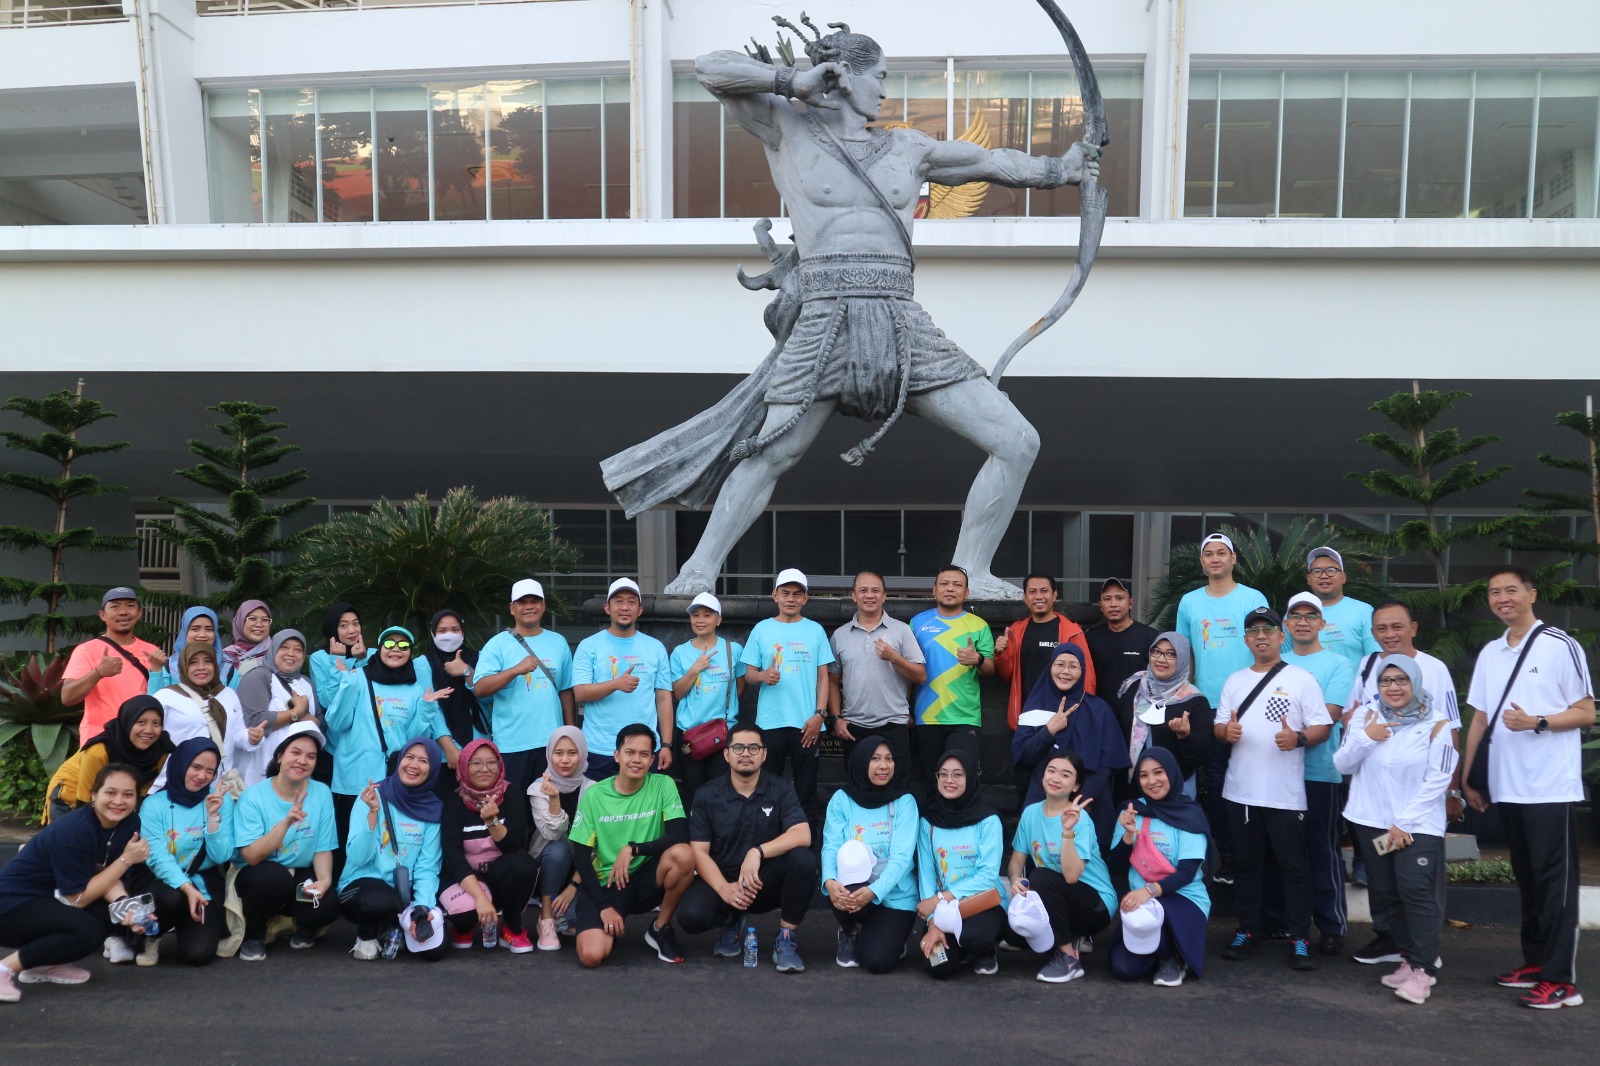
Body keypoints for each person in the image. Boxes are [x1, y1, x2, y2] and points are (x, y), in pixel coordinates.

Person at [609, 23, 1099, 601]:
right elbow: (709, 68)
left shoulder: (909, 148)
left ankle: (971, 572)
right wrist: (794, 80)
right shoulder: (787, 127)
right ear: (843, 76)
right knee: (773, 452)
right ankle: (698, 571)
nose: (885, 91)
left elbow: (992, 163)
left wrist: (1062, 169)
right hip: (823, 317)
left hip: (900, 319)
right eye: (880, 77)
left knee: (1017, 440)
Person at [1463, 565, 1594, 1010]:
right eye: (1494, 591)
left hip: (1549, 788)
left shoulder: (1560, 646)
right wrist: (1468, 777)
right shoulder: (1491, 653)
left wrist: (1537, 721)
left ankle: (1561, 981)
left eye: (1511, 590)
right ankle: (1536, 963)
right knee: (1529, 881)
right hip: (1507, 786)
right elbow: (1480, 717)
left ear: (1531, 594)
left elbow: (1586, 712)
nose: (1502, 598)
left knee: (1555, 883)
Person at [1212, 606, 1332, 971]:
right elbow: (1219, 725)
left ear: (1283, 636)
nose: (1261, 635)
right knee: (1247, 867)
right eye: (1253, 631)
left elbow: (1322, 727)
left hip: (1284, 795)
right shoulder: (1235, 681)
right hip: (1240, 793)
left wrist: (1297, 738)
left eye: (1269, 629)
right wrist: (1225, 733)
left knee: (1294, 867)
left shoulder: (1301, 679)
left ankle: (1299, 936)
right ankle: (1248, 930)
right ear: (1246, 639)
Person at [1335, 655, 1458, 1005]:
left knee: (1416, 893)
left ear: (1416, 683)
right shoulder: (1367, 715)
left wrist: (1404, 822)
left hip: (1416, 827)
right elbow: (1342, 762)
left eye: (1401, 680)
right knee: (1387, 894)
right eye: (1386, 681)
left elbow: (1439, 777)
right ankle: (1409, 957)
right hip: (1370, 820)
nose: (1393, 687)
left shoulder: (1436, 723)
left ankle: (1424, 970)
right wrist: (1366, 738)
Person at [1344, 598, 1463, 931]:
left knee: (1419, 880)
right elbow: (1353, 716)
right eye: (1381, 628)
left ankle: (1423, 949)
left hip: (1418, 793)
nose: (1389, 634)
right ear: (1373, 633)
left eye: (1397, 626)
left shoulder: (1434, 668)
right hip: (1375, 796)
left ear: (1413, 629)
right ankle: (1388, 939)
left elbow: (1450, 732)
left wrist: (1453, 790)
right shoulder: (1368, 666)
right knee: (1382, 877)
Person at [0, 764, 149, 1003]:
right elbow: (77, 899)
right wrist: (126, 859)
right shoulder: (76, 830)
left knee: (108, 913)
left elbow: (106, 874)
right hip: (11, 905)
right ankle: (5, 968)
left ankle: (45, 965)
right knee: (87, 931)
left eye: (128, 794)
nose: (119, 801)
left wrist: (126, 906)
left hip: (47, 899)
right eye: (110, 793)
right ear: (93, 795)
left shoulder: (129, 823)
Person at [322, 625, 458, 879]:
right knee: (349, 839)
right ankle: (348, 892)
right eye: (390, 644)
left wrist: (427, 708)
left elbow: (415, 741)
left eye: (404, 645)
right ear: (380, 647)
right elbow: (337, 723)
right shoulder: (358, 677)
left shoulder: (416, 688)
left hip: (393, 779)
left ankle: (385, 891)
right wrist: (348, 685)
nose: (396, 649)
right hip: (356, 777)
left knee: (386, 839)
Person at [676, 725, 816, 971]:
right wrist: (723, 889)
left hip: (763, 882)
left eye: (754, 748)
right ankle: (731, 919)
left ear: (764, 754)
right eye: (738, 747)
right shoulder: (707, 794)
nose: (746, 753)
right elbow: (698, 851)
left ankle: (785, 939)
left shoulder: (780, 788)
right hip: (724, 880)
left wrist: (758, 852)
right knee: (690, 916)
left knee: (803, 861)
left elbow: (802, 834)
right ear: (726, 754)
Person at [1176, 533, 1268, 886]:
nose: (1215, 559)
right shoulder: (1189, 603)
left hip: (1249, 705)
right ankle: (1227, 857)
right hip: (1207, 706)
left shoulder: (1252, 598)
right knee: (1214, 785)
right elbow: (1183, 656)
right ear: (1202, 562)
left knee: (1252, 781)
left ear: (1233, 559)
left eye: (1221, 553)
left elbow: (1268, 646)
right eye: (1208, 554)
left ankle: (1255, 858)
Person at [568, 725, 696, 968]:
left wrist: (633, 849)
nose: (637, 759)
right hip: (607, 884)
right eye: (630, 752)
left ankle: (660, 927)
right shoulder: (595, 794)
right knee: (591, 956)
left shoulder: (663, 785)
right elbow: (581, 857)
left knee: (683, 854)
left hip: (646, 879)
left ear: (652, 759)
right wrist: (603, 906)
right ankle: (609, 926)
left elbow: (679, 834)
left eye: (644, 754)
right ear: (617, 756)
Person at [1278, 592, 1354, 955]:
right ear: (1287, 625)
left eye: (1311, 616)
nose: (1303, 622)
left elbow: (1330, 714)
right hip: (1276, 774)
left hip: (1320, 771)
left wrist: (1294, 731)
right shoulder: (1274, 662)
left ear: (1323, 624)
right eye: (1296, 616)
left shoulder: (1339, 665)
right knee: (1283, 851)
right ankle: (1288, 923)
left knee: (1322, 850)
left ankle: (1331, 924)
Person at [230, 723, 340, 961]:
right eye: (295, 752)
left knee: (328, 903)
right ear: (280, 755)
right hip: (258, 872)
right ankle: (254, 935)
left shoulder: (321, 793)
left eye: (310, 757)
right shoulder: (253, 796)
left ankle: (302, 925)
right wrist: (287, 822)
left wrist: (325, 880)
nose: (302, 761)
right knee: (273, 879)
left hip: (299, 870)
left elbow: (322, 847)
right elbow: (251, 855)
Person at [121, 738, 235, 967]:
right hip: (159, 881)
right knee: (169, 897)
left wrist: (213, 818)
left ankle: (184, 922)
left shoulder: (220, 800)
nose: (202, 776)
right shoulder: (154, 804)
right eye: (196, 767)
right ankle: (152, 935)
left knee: (198, 954)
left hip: (203, 882)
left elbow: (222, 856)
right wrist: (186, 889)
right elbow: (157, 858)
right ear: (181, 764)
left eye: (209, 771)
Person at [1007, 751, 1116, 984]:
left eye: (1066, 774)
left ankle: (1068, 958)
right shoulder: (1031, 813)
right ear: (1043, 776)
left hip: (1096, 904)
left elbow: (1071, 876)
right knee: (1013, 933)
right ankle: (1073, 936)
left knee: (1042, 877)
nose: (1056, 778)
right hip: (1058, 898)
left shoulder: (1080, 819)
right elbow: (1016, 861)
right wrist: (1016, 879)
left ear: (1076, 785)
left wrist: (1067, 830)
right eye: (1051, 771)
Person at [1107, 748, 1212, 987]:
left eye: (1158, 772)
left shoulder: (1189, 814)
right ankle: (1157, 952)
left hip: (1182, 898)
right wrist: (1128, 835)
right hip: (1142, 905)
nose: (1151, 781)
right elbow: (1117, 865)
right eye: (1144, 775)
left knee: (1158, 923)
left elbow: (1186, 874)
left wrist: (1148, 891)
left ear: (1172, 773)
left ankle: (1173, 958)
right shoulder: (1132, 811)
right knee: (1123, 968)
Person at [338, 738, 448, 962]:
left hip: (404, 894)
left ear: (434, 767)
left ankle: (395, 925)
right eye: (409, 757)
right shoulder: (371, 796)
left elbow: (428, 867)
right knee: (382, 901)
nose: (413, 765)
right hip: (362, 886)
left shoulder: (433, 809)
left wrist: (422, 908)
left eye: (423, 760)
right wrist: (372, 814)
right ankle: (367, 935)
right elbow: (358, 858)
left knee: (435, 949)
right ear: (399, 761)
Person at [740, 568, 834, 821]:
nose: (790, 598)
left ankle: (807, 845)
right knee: (767, 788)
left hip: (808, 723)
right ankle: (770, 841)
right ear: (775, 596)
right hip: (771, 721)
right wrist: (762, 676)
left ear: (805, 598)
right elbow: (748, 674)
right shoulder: (761, 629)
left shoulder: (815, 631)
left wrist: (819, 714)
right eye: (785, 593)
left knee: (807, 790)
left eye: (797, 594)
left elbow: (823, 676)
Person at [1012, 644, 1128, 848]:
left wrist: (1078, 804)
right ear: (1050, 667)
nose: (1065, 671)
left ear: (1082, 671)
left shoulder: (1099, 709)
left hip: (1088, 803)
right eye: (1060, 665)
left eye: (1073, 666)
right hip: (1043, 798)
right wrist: (1049, 731)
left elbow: (1106, 765)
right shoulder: (1035, 706)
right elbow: (1024, 756)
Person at [470, 580, 576, 801]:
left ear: (543, 606)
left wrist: (570, 732)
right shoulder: (497, 644)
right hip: (512, 744)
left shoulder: (558, 642)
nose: (529, 606)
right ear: (512, 608)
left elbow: (566, 690)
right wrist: (516, 670)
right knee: (514, 808)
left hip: (551, 744)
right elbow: (480, 688)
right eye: (522, 602)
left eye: (534, 601)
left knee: (550, 808)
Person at [821, 740, 920, 973]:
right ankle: (849, 931)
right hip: (854, 889)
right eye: (875, 758)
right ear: (861, 761)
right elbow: (831, 846)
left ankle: (891, 938)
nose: (883, 765)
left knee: (877, 961)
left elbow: (902, 857)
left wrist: (875, 891)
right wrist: (829, 882)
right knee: (840, 882)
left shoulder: (904, 801)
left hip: (896, 895)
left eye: (889, 758)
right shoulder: (842, 800)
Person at [439, 738, 541, 953]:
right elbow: (452, 857)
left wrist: (492, 822)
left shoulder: (511, 794)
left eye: (491, 762)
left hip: (498, 874)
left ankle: (512, 928)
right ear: (464, 766)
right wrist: (480, 898)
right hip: (465, 877)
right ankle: (463, 927)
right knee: (465, 914)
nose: (484, 769)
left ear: (500, 765)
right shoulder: (454, 802)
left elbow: (515, 845)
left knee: (523, 865)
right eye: (476, 763)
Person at [916, 750, 1006, 978]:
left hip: (982, 903)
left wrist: (939, 899)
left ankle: (983, 951)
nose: (949, 780)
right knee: (939, 967)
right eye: (943, 774)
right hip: (943, 912)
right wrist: (933, 923)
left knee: (973, 936)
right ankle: (958, 949)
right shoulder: (928, 821)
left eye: (958, 774)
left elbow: (987, 877)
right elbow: (926, 874)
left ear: (971, 778)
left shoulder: (988, 820)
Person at [827, 570, 924, 781]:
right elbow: (832, 680)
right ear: (854, 595)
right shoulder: (840, 635)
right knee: (858, 786)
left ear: (884, 595)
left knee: (897, 786)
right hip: (854, 726)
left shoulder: (901, 630)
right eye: (863, 590)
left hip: (894, 723)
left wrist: (894, 657)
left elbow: (920, 676)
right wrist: (836, 719)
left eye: (875, 590)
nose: (869, 595)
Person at [571, 578, 673, 781]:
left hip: (642, 750)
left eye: (631, 602)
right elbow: (580, 693)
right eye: (618, 601)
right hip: (599, 748)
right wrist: (615, 684)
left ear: (639, 610)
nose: (625, 607)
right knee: (599, 810)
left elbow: (663, 698)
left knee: (642, 810)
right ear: (607, 608)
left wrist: (667, 745)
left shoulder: (655, 647)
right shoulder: (589, 646)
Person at [909, 566, 994, 790]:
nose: (950, 589)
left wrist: (978, 659)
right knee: (931, 784)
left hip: (965, 717)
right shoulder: (916, 623)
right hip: (927, 717)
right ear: (934, 590)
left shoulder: (979, 626)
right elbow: (909, 670)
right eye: (945, 584)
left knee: (964, 781)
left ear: (966, 593)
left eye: (957, 585)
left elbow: (991, 670)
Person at [44, 694, 172, 824]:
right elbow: (85, 800)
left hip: (110, 796)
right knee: (68, 837)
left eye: (156, 723)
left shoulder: (160, 750)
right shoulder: (99, 751)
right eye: (141, 722)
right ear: (127, 721)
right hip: (71, 793)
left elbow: (140, 793)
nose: (149, 730)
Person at [1114, 632, 1213, 801]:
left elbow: (1202, 756)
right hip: (1130, 790)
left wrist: (1185, 736)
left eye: (1170, 654)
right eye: (1156, 652)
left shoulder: (1194, 701)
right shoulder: (1133, 688)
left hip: (1174, 792)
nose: (1161, 659)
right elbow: (1117, 734)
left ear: (1182, 659)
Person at [994, 573, 1097, 732]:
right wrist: (1000, 654)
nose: (1038, 596)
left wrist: (1082, 715)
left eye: (1044, 591)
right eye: (1032, 592)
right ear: (1025, 597)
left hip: (1061, 717)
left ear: (1054, 595)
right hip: (1026, 715)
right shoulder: (1016, 631)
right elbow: (1006, 674)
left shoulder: (1072, 632)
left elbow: (1087, 676)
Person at [670, 591, 746, 803]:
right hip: (690, 734)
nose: (700, 620)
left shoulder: (733, 649)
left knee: (721, 793)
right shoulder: (679, 653)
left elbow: (740, 687)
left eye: (707, 615)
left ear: (718, 619)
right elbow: (677, 692)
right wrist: (695, 669)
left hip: (722, 733)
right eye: (696, 615)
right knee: (693, 793)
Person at [61, 587, 163, 744]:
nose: (123, 612)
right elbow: (67, 697)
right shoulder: (86, 650)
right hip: (101, 741)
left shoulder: (152, 651)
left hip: (142, 742)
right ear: (102, 615)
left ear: (139, 613)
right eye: (115, 606)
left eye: (130, 605)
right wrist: (98, 673)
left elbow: (163, 698)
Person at [153, 643, 258, 785]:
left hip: (217, 785)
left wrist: (252, 738)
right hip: (174, 783)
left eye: (207, 661)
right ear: (183, 666)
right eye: (193, 662)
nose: (201, 667)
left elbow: (237, 734)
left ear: (215, 665)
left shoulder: (228, 694)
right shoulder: (166, 696)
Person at [528, 725, 593, 948]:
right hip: (547, 864)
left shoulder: (593, 790)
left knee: (577, 923)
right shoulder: (538, 789)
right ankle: (545, 917)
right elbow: (552, 833)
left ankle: (565, 910)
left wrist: (573, 886)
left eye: (572, 753)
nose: (564, 760)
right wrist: (554, 799)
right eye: (558, 753)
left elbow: (596, 845)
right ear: (549, 755)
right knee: (559, 848)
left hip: (582, 868)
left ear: (583, 754)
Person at [420, 609, 492, 797]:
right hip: (444, 754)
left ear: (463, 632)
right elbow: (431, 708)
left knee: (482, 808)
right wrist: (450, 748)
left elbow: (487, 698)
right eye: (442, 631)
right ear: (433, 633)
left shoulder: (479, 658)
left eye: (455, 629)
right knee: (448, 810)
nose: (449, 635)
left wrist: (467, 672)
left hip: (480, 747)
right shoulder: (422, 663)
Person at [235, 630, 319, 789]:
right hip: (260, 772)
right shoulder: (259, 677)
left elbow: (320, 724)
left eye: (298, 649)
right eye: (284, 647)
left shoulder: (306, 682)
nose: (291, 653)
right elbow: (255, 721)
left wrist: (304, 715)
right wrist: (296, 713)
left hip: (298, 773)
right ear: (273, 650)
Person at [1300, 547, 1380, 671]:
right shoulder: (1295, 616)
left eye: (1331, 570)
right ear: (1308, 579)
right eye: (1317, 571)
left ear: (1343, 577)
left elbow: (1375, 660)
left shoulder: (1364, 612)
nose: (1324, 576)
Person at [1085, 577, 1157, 706]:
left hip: (1137, 715)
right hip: (1101, 713)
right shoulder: (1091, 638)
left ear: (1130, 602)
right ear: (1100, 605)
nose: (1113, 604)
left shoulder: (1150, 637)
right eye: (1107, 599)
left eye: (1119, 598)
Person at [143, 605, 223, 693]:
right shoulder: (167, 667)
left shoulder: (228, 669)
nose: (202, 635)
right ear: (185, 632)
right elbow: (155, 701)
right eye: (195, 629)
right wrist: (156, 669)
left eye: (209, 629)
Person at [309, 601, 371, 711]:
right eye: (344, 625)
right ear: (333, 628)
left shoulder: (373, 654)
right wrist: (336, 661)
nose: (352, 630)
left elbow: (374, 695)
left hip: (369, 724)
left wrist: (362, 661)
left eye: (355, 624)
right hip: (340, 726)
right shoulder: (319, 658)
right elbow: (327, 702)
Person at [221, 599, 273, 689]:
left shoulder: (276, 655)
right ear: (240, 621)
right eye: (252, 619)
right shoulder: (224, 657)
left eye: (265, 620)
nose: (259, 624)